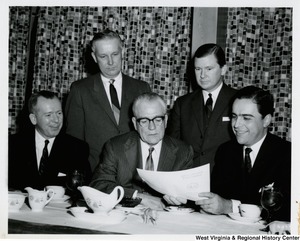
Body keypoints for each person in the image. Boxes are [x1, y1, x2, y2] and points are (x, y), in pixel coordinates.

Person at [196, 86, 291, 222]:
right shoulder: (225, 151)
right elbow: (216, 199)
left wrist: (230, 206)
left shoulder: (288, 154)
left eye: (246, 118)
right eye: (234, 117)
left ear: (266, 120)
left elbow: (286, 210)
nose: (236, 124)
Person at [65, 29, 151, 172]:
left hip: (135, 175)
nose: (110, 62)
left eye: (115, 54)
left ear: (122, 51)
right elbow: (74, 141)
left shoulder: (141, 88)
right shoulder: (80, 90)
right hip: (95, 175)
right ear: (94, 57)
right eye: (103, 56)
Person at [90, 92, 194, 209]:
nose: (152, 127)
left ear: (166, 120)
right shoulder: (115, 147)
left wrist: (182, 200)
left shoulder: (183, 152)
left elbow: (190, 198)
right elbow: (99, 185)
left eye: (158, 119)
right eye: (144, 121)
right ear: (135, 123)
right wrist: (137, 197)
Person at [167, 43, 237, 172]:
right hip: (190, 180)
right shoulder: (182, 104)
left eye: (209, 69)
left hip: (227, 180)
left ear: (223, 69)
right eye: (198, 69)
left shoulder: (238, 100)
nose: (202, 75)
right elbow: (172, 147)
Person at [9, 91, 92, 191]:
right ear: (34, 119)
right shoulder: (11, 145)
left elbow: (83, 190)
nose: (56, 120)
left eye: (59, 113)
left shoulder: (77, 148)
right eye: (48, 115)